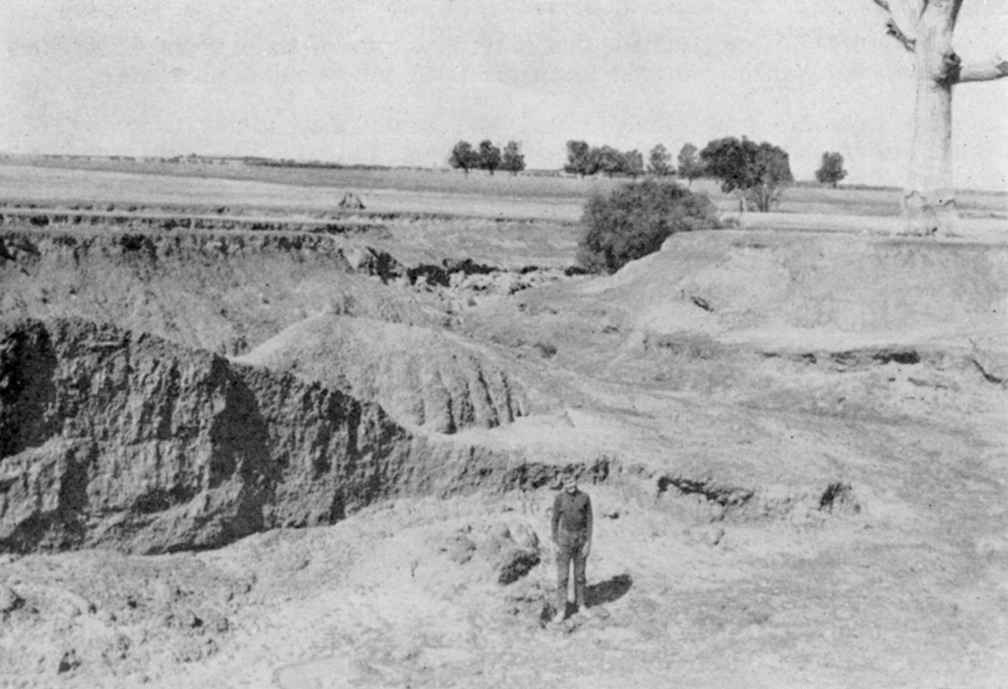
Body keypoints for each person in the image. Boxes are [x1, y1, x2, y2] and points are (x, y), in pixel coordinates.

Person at [550, 474, 593, 622]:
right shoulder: (559, 498)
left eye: (572, 481)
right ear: (564, 484)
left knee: (580, 575)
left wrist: (588, 542)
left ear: (576, 481)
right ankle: (561, 610)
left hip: (581, 540)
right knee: (563, 577)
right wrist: (555, 542)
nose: (571, 485)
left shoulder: (585, 497)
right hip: (564, 541)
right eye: (567, 483)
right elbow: (554, 520)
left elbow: (589, 521)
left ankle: (580, 604)